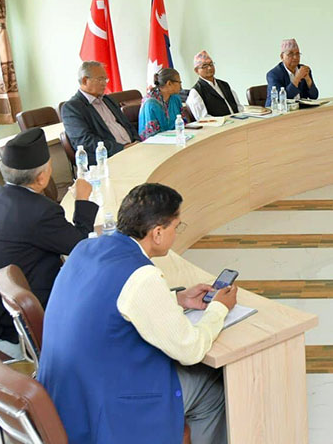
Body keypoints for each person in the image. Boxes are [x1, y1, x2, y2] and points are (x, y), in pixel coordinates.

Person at [37, 183, 238, 444]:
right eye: (176, 227)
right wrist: (219, 309)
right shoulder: (142, 275)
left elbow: (113, 304)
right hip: (106, 408)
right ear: (157, 233)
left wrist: (177, 299)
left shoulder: (86, 248)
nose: (176, 234)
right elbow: (191, 350)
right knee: (213, 387)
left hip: (65, 395)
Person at [0, 129, 97, 359]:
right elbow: (81, 245)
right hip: (12, 326)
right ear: (42, 178)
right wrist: (83, 199)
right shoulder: (41, 211)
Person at [61, 61, 140, 165]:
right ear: (85, 80)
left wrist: (137, 142)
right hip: (108, 159)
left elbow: (127, 125)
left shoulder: (108, 100)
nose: (104, 83)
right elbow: (85, 141)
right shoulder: (72, 108)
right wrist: (122, 148)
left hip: (132, 150)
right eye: (100, 79)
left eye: (105, 79)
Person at [186, 50, 244, 119]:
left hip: (237, 121)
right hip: (219, 125)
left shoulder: (224, 84)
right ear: (196, 70)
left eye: (211, 64)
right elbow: (203, 118)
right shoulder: (196, 92)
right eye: (204, 66)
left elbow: (239, 107)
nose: (209, 68)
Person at [265, 38, 319, 106]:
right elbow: (282, 99)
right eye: (290, 54)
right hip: (278, 110)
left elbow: (314, 96)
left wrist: (308, 80)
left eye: (297, 54)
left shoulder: (303, 70)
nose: (295, 57)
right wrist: (297, 79)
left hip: (300, 109)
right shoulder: (273, 74)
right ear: (282, 56)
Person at [138, 68, 185, 140]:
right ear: (169, 83)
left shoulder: (175, 97)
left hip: (177, 139)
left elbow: (183, 122)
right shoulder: (151, 103)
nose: (181, 86)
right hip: (157, 143)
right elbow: (152, 135)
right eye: (179, 82)